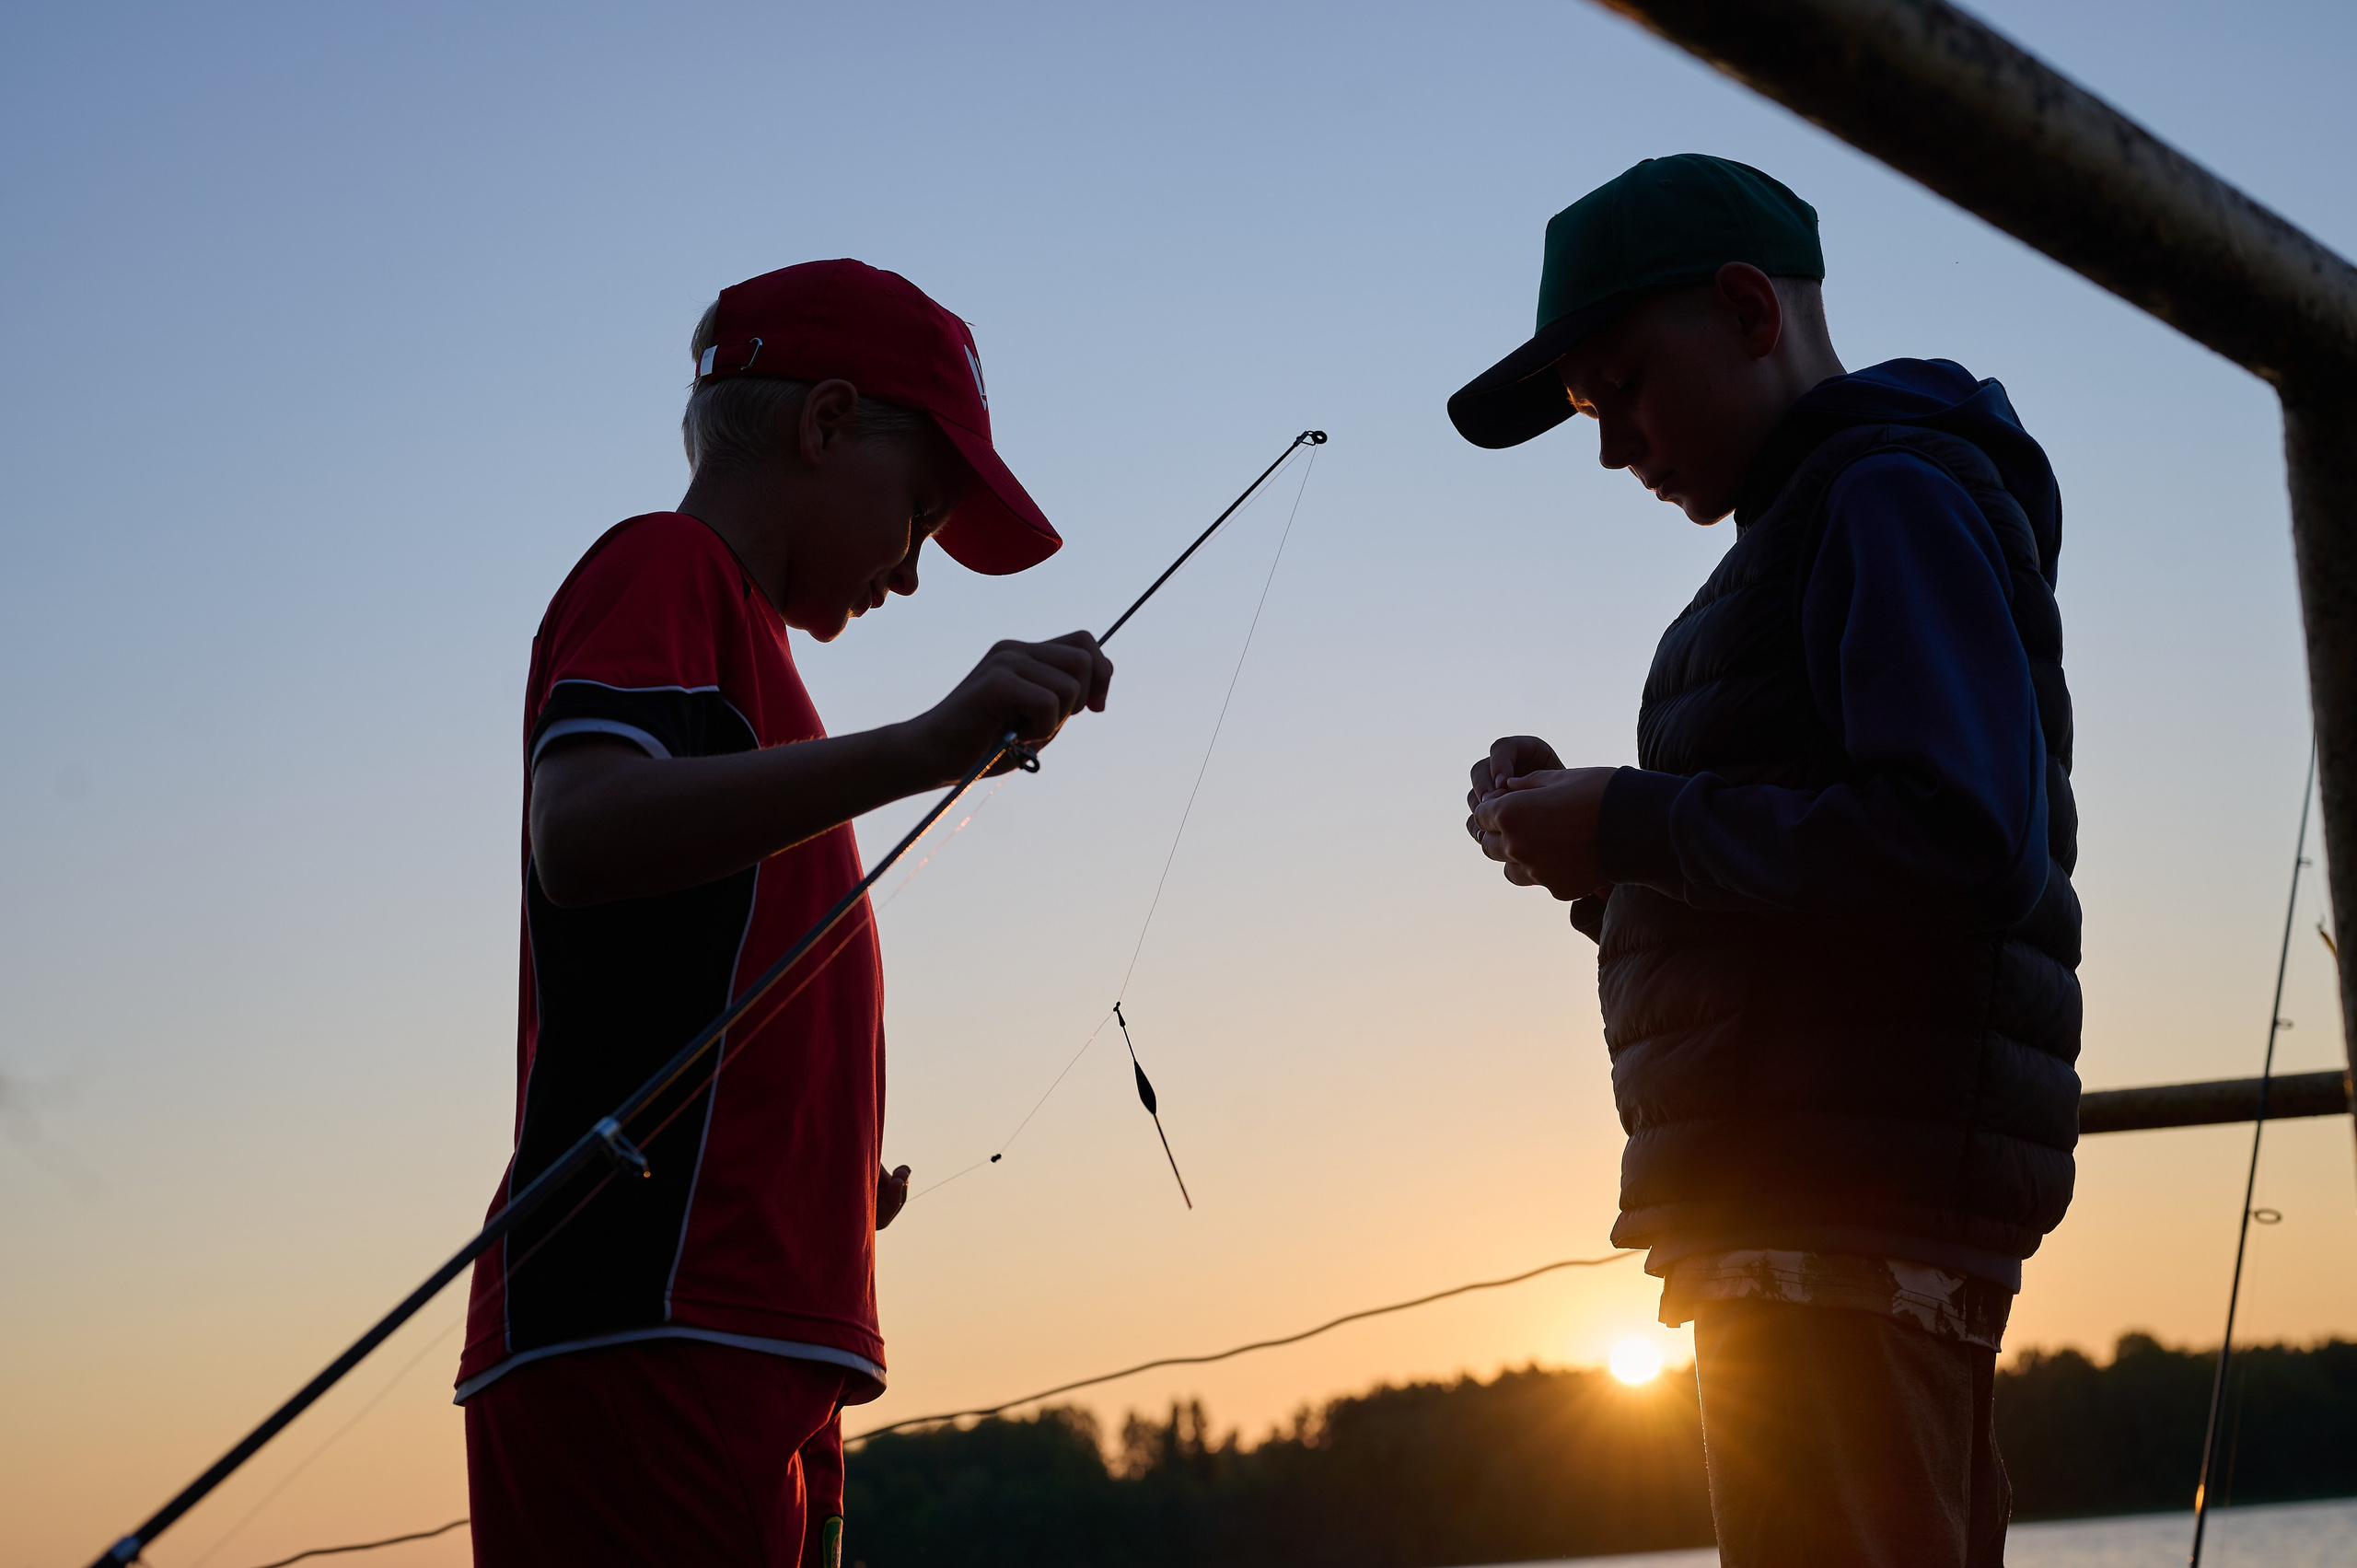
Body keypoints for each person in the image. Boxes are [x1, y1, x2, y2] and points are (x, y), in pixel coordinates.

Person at [1451, 156, 2079, 1566]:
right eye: (1586, 412)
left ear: (1747, 310)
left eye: (1620, 389)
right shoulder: (1819, 527)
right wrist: (1593, 857)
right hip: (1813, 1226)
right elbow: (1819, 892)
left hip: (1842, 1234)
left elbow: (1960, 840)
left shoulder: (1885, 498)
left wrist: (1631, 822)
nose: (1612, 448)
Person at [454, 259, 1113, 1568]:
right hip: (652, 1324)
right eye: (917, 514)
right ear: (824, 423)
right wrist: (924, 746)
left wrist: (821, 1171)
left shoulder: (764, 676)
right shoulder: (662, 565)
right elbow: (582, 828)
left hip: (752, 1329)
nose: (912, 576)